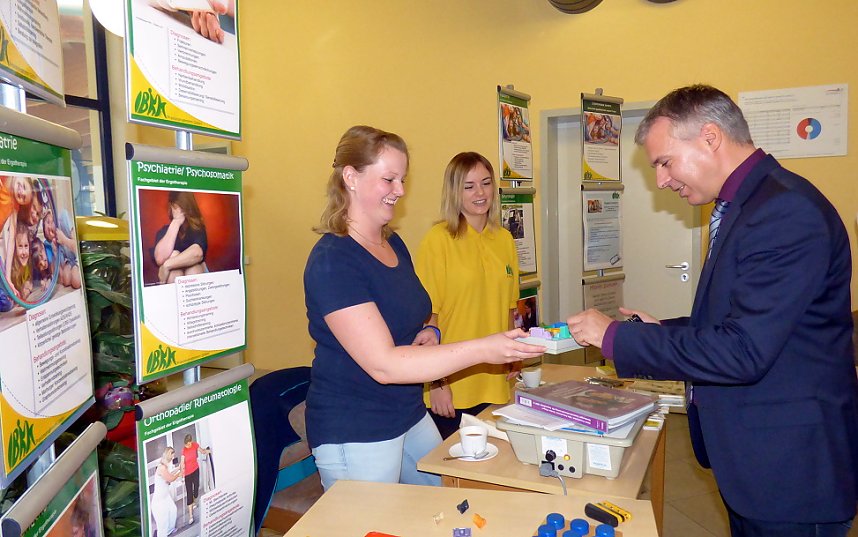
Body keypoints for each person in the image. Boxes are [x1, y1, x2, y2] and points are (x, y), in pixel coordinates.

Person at [566, 84, 858, 537]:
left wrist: (616, 338)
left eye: (664, 162)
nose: (661, 180)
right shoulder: (745, 205)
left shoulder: (784, 212)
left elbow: (743, 350)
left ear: (709, 137)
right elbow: (738, 320)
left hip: (791, 469)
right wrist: (661, 328)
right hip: (757, 460)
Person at [303, 125, 545, 491]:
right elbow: (383, 364)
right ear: (351, 177)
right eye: (389, 179)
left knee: (447, 499)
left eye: (402, 179)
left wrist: (430, 332)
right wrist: (484, 348)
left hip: (407, 411)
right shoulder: (333, 260)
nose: (400, 191)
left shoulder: (392, 243)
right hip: (358, 425)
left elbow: (418, 317)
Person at [414, 152, 522, 439]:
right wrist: (437, 383)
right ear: (454, 191)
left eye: (486, 183)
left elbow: (509, 310)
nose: (480, 193)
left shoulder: (504, 240)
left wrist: (515, 358)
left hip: (495, 381)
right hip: (453, 384)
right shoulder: (438, 240)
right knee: (452, 475)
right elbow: (428, 320)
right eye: (469, 185)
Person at [153, 191, 208, 284]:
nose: (180, 210)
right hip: (172, 277)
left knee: (193, 268)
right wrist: (176, 222)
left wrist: (167, 265)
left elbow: (197, 253)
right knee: (174, 261)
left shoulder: (197, 229)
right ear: (171, 206)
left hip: (196, 275)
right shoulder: (165, 231)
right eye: (176, 206)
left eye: (182, 206)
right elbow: (159, 258)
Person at [180, 434, 210, 525]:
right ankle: (191, 516)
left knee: (196, 488)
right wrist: (182, 473)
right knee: (189, 492)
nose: (188, 446)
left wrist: (209, 451)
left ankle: (193, 501)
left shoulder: (195, 445)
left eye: (189, 444)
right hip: (187, 474)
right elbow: (182, 463)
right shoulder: (183, 450)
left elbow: (203, 451)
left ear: (191, 442)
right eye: (186, 445)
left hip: (195, 469)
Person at [151, 447, 180, 536]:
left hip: (165, 496)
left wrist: (178, 468)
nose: (173, 457)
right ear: (168, 454)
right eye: (172, 455)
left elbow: (170, 474)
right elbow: (170, 478)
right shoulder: (162, 468)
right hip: (159, 501)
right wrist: (180, 473)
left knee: (173, 510)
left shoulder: (166, 466)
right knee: (163, 522)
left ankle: (170, 530)